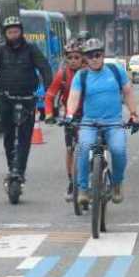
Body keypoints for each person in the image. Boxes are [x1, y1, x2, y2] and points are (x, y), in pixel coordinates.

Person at [65, 38, 139, 204]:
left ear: (103, 55)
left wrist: (134, 114)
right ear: (86, 58)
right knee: (84, 147)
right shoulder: (81, 75)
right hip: (89, 123)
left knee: (118, 149)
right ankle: (83, 189)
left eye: (97, 55)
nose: (94, 59)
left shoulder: (115, 70)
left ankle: (117, 183)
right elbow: (74, 97)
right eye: (90, 56)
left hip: (114, 123)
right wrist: (69, 115)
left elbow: (128, 92)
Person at [0, 16, 53, 185]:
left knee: (24, 137)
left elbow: (44, 68)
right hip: (5, 97)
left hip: (28, 97)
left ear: (21, 32)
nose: (13, 35)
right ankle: (11, 168)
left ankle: (19, 171)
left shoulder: (31, 49)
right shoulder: (0, 51)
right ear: (5, 34)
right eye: (10, 32)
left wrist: (48, 90)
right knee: (8, 135)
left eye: (16, 31)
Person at [44, 39, 84, 202]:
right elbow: (50, 96)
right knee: (70, 149)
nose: (74, 61)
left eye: (77, 57)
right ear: (66, 59)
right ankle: (71, 182)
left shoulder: (89, 73)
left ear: (83, 59)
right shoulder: (62, 74)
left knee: (95, 146)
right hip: (70, 115)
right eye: (70, 58)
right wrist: (48, 114)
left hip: (89, 114)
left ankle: (98, 170)